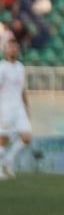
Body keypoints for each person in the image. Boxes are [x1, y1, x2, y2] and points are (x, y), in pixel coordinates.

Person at [0, 38, 33, 178]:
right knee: (3, 139)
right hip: (5, 107)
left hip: (19, 108)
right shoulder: (2, 67)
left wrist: (26, 106)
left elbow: (22, 88)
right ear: (5, 50)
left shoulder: (20, 67)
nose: (13, 49)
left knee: (26, 137)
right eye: (10, 47)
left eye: (15, 47)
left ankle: (8, 160)